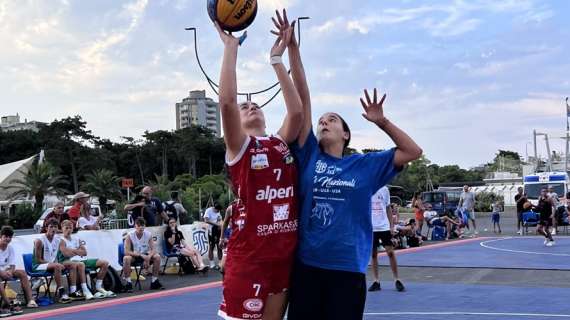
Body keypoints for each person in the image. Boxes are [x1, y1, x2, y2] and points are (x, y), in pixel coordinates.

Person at [286, 17, 422, 317]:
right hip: (308, 266)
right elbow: (302, 95)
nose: (324, 121)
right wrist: (293, 48)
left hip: (347, 269)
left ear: (346, 134)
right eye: (322, 119)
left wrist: (382, 122)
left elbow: (412, 151)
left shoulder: (364, 165)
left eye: (332, 119)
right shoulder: (310, 156)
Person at [214, 9, 303, 320]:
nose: (250, 105)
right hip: (249, 259)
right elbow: (226, 102)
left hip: (283, 258)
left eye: (254, 104)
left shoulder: (279, 142)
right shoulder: (240, 148)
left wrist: (277, 59)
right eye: (244, 106)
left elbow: (296, 113)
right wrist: (230, 48)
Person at [57, 220, 116, 299]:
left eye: (70, 228)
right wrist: (78, 251)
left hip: (82, 260)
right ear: (62, 228)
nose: (68, 230)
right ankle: (85, 290)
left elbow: (84, 252)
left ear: (72, 228)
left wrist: (72, 250)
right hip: (69, 261)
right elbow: (66, 254)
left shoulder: (76, 238)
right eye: (66, 228)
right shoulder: (61, 240)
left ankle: (98, 287)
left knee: (104, 263)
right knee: (81, 265)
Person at [368, 186, 405, 293]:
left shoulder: (384, 189)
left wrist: (391, 226)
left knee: (390, 253)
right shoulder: (368, 186)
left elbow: (388, 208)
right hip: (371, 227)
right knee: (373, 254)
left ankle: (397, 279)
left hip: (383, 226)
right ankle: (376, 281)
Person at [33, 219, 73, 303]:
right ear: (46, 228)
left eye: (55, 227)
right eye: (51, 227)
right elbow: (38, 260)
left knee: (72, 265)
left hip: (51, 265)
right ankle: (62, 292)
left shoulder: (58, 240)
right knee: (57, 266)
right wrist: (55, 264)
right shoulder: (39, 241)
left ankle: (74, 290)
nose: (53, 229)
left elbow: (56, 256)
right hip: (38, 265)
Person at [122, 217, 164, 291]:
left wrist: (148, 257)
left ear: (144, 226)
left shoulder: (148, 234)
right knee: (126, 258)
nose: (141, 227)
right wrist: (141, 255)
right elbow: (126, 252)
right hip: (135, 256)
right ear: (135, 226)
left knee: (157, 257)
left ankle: (154, 281)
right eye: (139, 225)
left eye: (142, 225)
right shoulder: (129, 235)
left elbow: (153, 249)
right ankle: (128, 283)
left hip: (146, 255)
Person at [0, 226, 37, 309]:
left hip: (6, 272)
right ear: (1, 236)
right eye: (5, 236)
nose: (8, 239)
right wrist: (2, 273)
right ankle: (8, 303)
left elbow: (12, 265)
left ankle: (30, 300)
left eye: (10, 237)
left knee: (22, 273)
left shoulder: (10, 248)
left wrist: (10, 272)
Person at [203, 204, 223, 269]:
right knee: (212, 246)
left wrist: (220, 223)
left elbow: (219, 219)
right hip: (211, 230)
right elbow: (206, 220)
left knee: (219, 246)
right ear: (215, 208)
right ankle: (212, 263)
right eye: (217, 210)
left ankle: (220, 262)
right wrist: (216, 224)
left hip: (218, 230)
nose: (218, 212)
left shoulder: (218, 211)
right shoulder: (208, 210)